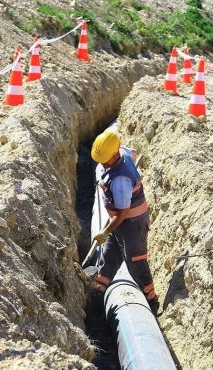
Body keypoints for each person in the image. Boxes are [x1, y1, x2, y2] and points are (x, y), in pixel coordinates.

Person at [90, 131, 159, 315]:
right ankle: (98, 298)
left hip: (132, 224)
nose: (102, 164)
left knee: (136, 263)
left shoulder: (121, 180)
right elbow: (133, 152)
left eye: (104, 160)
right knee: (109, 257)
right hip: (119, 222)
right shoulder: (122, 153)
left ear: (114, 155)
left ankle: (151, 301)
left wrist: (105, 232)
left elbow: (124, 211)